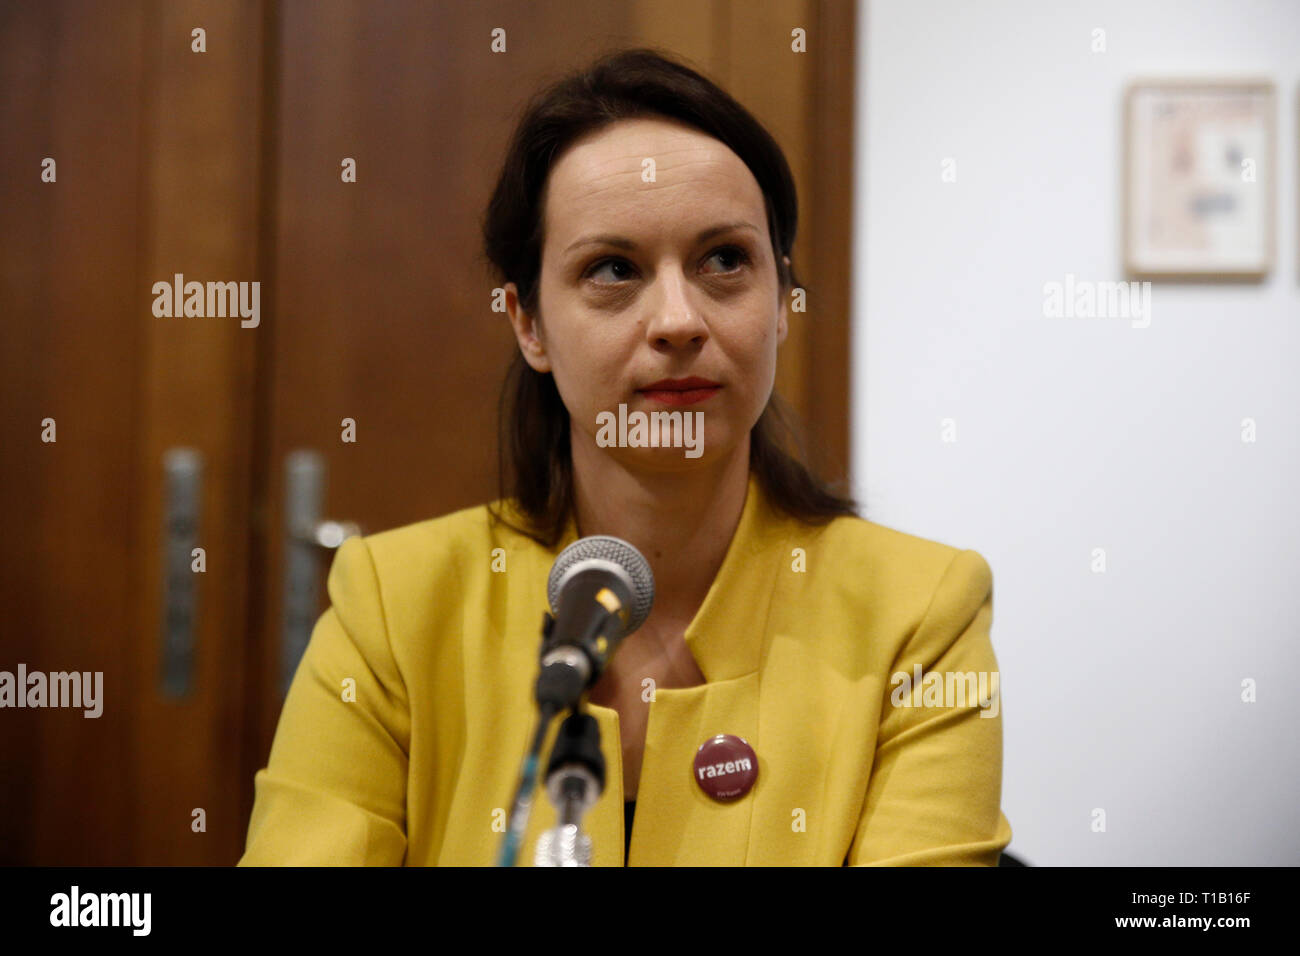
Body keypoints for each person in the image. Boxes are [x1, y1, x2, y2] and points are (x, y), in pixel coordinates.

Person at [239, 47, 1012, 866]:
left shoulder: (920, 616)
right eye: (614, 269)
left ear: (782, 303)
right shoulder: (392, 611)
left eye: (724, 260)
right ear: (528, 324)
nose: (678, 319)